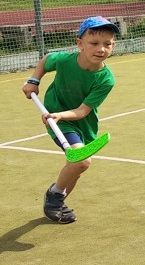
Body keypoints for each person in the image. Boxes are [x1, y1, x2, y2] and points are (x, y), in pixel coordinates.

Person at [21, 16, 119, 224]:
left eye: (107, 44)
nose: (101, 49)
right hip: (59, 121)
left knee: (75, 169)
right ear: (80, 44)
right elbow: (47, 59)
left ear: (113, 45)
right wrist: (34, 80)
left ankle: (57, 201)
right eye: (94, 43)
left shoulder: (106, 79)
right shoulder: (65, 61)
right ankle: (55, 196)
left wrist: (60, 115)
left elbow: (82, 111)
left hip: (81, 122)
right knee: (82, 161)